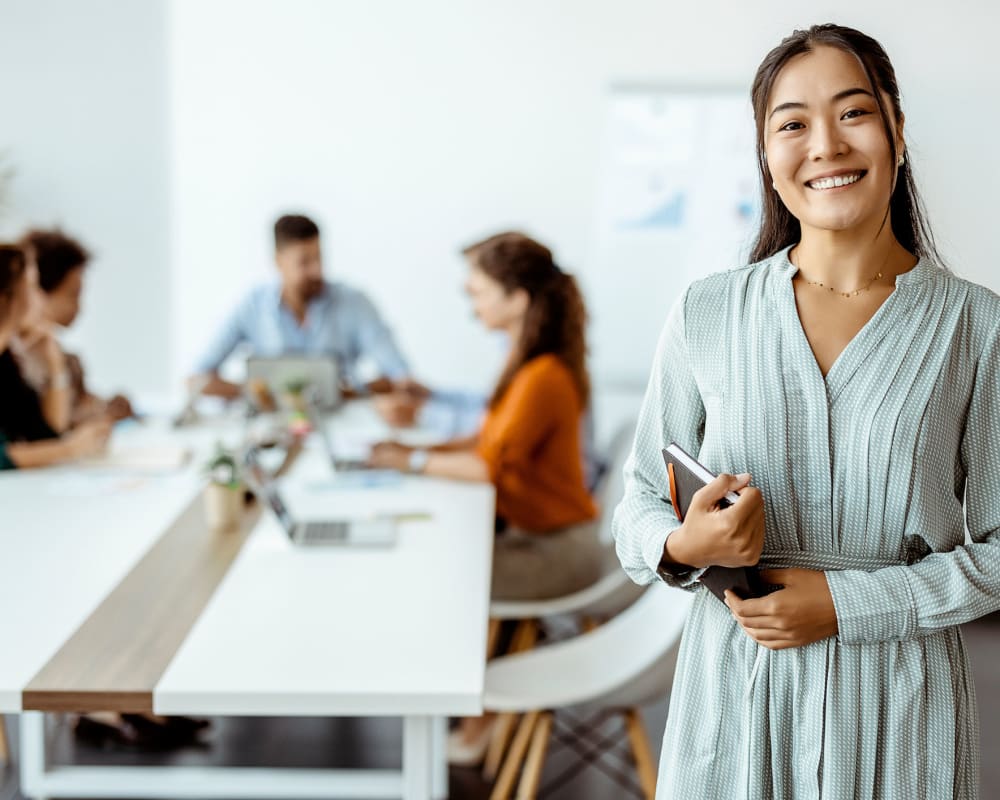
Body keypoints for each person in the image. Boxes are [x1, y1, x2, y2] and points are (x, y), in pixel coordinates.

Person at [613, 23, 1000, 799]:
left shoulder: (976, 328)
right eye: (792, 123)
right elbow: (635, 508)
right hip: (734, 698)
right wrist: (686, 543)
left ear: (894, 129)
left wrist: (846, 603)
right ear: (766, 154)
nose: (824, 144)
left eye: (852, 112)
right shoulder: (707, 312)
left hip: (901, 707)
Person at [370, 231, 602, 763]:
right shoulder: (526, 365)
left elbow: (487, 467)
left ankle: (472, 718)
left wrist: (407, 460)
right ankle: (471, 710)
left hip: (557, 554)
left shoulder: (542, 376)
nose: (471, 304)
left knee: (443, 580)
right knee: (442, 560)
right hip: (541, 537)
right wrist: (414, 449)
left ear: (516, 299)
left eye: (478, 292)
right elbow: (489, 439)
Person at [190, 214, 413, 399]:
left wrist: (348, 392)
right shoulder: (252, 306)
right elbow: (195, 379)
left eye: (319, 257)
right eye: (304, 262)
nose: (317, 270)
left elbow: (400, 377)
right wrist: (258, 392)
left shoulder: (354, 302)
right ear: (278, 261)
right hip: (273, 423)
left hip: (341, 420)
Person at [0, 245, 110, 469]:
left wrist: (55, 363)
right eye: (32, 287)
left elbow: (45, 434)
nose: (40, 299)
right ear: (5, 298)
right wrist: (72, 448)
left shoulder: (6, 364)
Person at [18, 228, 134, 424]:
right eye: (73, 295)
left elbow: (79, 410)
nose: (79, 306)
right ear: (37, 292)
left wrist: (105, 408)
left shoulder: (69, 361)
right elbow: (53, 428)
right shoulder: (15, 362)